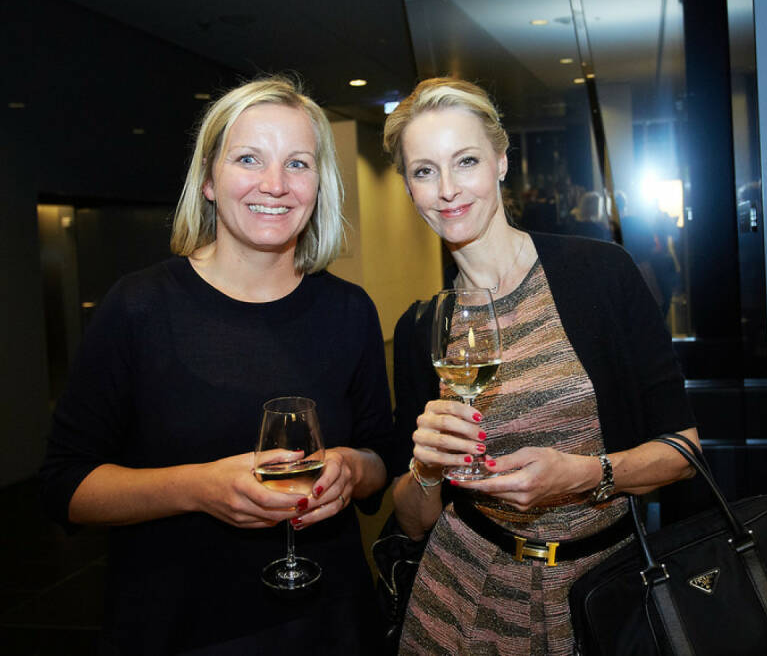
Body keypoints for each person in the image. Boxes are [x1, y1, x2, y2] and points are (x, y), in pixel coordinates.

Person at [39, 76, 395, 655]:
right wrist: (200, 488)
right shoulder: (138, 308)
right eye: (249, 158)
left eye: (298, 164)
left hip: (329, 621)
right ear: (208, 180)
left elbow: (384, 455)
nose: (275, 185)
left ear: (320, 185)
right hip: (179, 625)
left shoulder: (350, 311)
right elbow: (65, 486)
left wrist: (354, 469)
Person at [382, 77, 699, 654]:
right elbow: (413, 520)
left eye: (467, 161)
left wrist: (584, 475)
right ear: (408, 186)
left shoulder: (600, 275)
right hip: (461, 599)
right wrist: (426, 467)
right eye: (424, 171)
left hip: (603, 590)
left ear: (502, 162)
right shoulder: (419, 329)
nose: (448, 189)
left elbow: (684, 452)